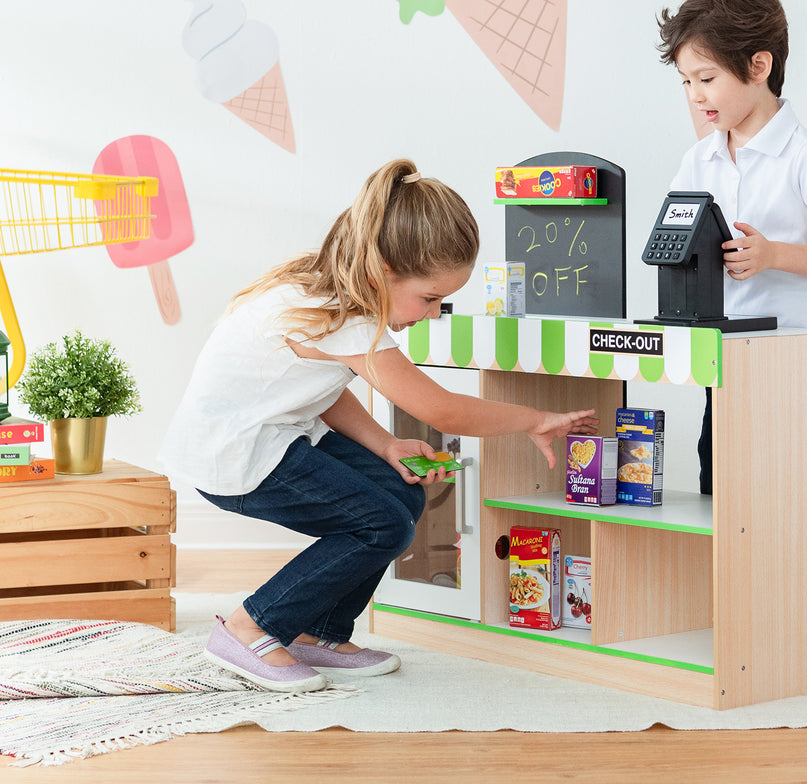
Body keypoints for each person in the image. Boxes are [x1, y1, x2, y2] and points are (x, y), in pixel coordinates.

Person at [159, 159, 598, 692]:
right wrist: (535, 419)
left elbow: (322, 391)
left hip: (275, 437)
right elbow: (443, 410)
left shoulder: (330, 299)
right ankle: (252, 626)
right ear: (380, 271)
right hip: (236, 454)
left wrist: (386, 444)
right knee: (381, 525)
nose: (434, 315)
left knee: (398, 492)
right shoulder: (342, 315)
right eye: (430, 298)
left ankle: (318, 633)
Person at [657, 0, 807, 494]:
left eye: (706, 77)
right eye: (685, 82)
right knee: (720, 479)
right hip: (723, 355)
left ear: (759, 66)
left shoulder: (805, 154)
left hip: (792, 355)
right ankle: (728, 575)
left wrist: (771, 254)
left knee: (787, 481)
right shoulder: (699, 159)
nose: (695, 95)